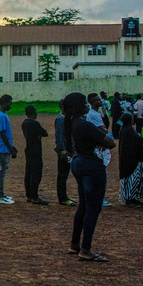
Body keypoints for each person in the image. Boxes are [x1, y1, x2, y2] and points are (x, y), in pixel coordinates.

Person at [64, 92, 116, 262]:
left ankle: (74, 244)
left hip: (78, 162)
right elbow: (110, 142)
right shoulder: (84, 125)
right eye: (84, 103)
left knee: (83, 207)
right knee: (93, 209)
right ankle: (85, 249)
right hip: (91, 165)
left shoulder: (71, 123)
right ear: (80, 106)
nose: (87, 105)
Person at [86, 93, 112, 207]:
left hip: (98, 145)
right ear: (92, 102)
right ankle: (99, 199)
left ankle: (98, 198)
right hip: (99, 147)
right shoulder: (93, 114)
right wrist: (105, 132)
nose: (100, 101)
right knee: (99, 175)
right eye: (97, 100)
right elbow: (103, 130)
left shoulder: (96, 113)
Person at [117, 114, 143, 207]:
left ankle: (133, 198)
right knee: (133, 179)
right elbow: (136, 142)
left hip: (128, 159)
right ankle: (130, 200)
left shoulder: (124, 129)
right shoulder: (129, 130)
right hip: (132, 159)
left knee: (133, 179)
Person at [21, 105, 49, 205]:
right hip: (35, 151)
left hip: (28, 150)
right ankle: (35, 196)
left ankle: (29, 195)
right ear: (34, 112)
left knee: (28, 173)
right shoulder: (35, 124)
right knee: (36, 174)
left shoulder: (24, 123)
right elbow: (45, 133)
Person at [0, 94, 17, 205]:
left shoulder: (2, 114)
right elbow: (3, 134)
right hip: (3, 148)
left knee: (2, 171)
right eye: (9, 103)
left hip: (4, 147)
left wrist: (12, 147)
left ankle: (2, 194)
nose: (10, 105)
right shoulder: (2, 116)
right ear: (4, 103)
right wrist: (10, 148)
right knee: (2, 172)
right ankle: (0, 195)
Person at [54, 100, 76, 206]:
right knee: (62, 174)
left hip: (69, 150)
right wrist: (62, 150)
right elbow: (60, 136)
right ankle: (62, 198)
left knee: (65, 173)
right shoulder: (60, 119)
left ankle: (64, 196)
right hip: (64, 151)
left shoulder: (66, 119)